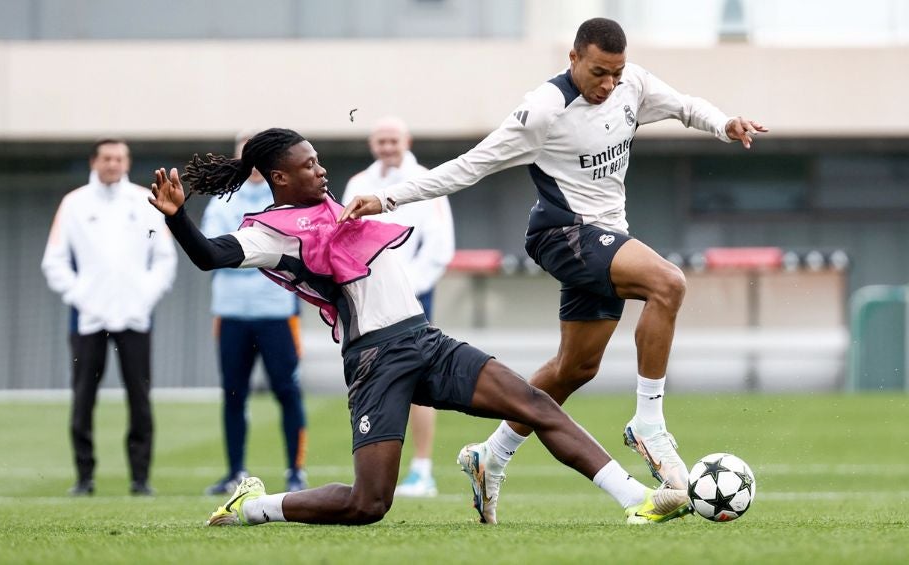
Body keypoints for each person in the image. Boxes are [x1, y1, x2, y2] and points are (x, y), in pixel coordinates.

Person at [339, 17, 768, 523]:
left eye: (616, 72)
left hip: (606, 235)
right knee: (667, 282)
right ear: (573, 59)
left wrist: (725, 125)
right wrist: (386, 197)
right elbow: (469, 166)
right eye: (598, 72)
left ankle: (489, 456)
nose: (608, 84)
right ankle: (649, 425)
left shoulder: (632, 84)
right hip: (562, 234)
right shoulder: (541, 111)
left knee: (574, 369)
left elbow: (686, 107)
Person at [147, 127, 689, 526]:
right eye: (309, 165)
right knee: (369, 504)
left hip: (425, 339)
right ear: (280, 177)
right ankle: (257, 507)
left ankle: (637, 500)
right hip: (376, 361)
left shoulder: (333, 203)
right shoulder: (270, 233)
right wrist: (177, 218)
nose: (321, 170)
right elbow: (209, 256)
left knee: (535, 403)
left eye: (318, 161)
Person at [41, 138, 177, 496]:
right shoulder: (74, 204)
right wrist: (81, 296)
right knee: (83, 398)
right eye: (107, 158)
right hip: (89, 318)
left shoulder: (145, 202)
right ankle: (84, 477)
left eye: (119, 158)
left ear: (127, 161)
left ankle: (140, 479)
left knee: (140, 399)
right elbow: (54, 261)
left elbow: (164, 257)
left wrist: (145, 296)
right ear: (94, 161)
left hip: (135, 317)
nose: (113, 164)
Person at [343, 117, 455, 498]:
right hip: (367, 299)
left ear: (406, 140)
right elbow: (344, 238)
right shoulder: (358, 184)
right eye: (381, 140)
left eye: (393, 139)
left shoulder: (427, 179)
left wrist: (409, 288)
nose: (387, 146)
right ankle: (374, 470)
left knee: (419, 382)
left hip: (413, 298)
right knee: (371, 377)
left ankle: (422, 470)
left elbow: (440, 246)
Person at [200, 130, 309, 495]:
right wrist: (262, 253)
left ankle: (296, 471)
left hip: (277, 312)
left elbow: (294, 248)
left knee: (287, 391)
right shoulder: (221, 200)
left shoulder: (288, 197)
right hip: (231, 313)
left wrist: (244, 251)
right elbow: (213, 253)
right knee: (233, 394)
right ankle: (235, 472)